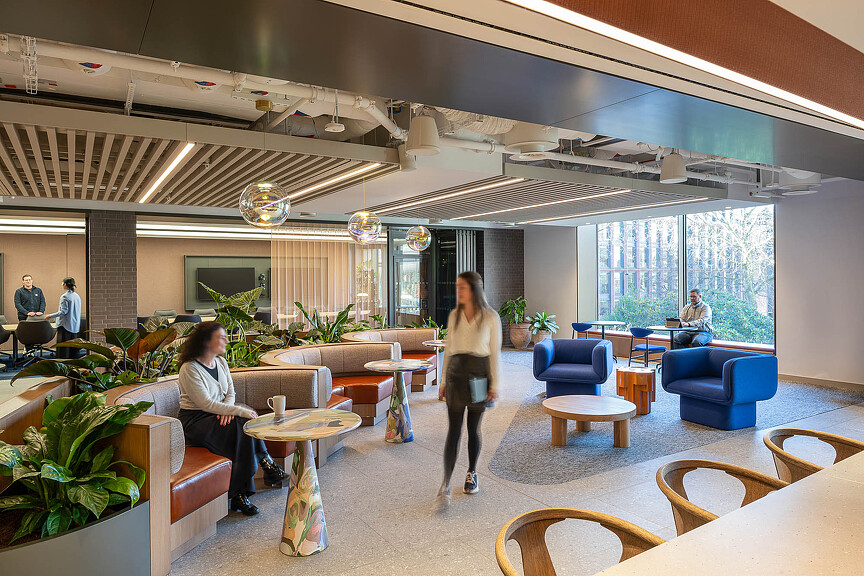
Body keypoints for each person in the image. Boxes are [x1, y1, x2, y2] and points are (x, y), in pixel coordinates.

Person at [176, 321, 287, 516]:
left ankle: (240, 495)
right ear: (206, 341)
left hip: (220, 415)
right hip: (196, 421)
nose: (226, 340)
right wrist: (239, 411)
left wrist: (229, 410)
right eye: (221, 337)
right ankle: (264, 464)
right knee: (242, 423)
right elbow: (206, 404)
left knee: (241, 430)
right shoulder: (189, 368)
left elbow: (230, 393)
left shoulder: (220, 362)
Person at [437, 271, 502, 507]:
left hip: (479, 375)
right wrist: (443, 380)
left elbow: (495, 353)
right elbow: (449, 349)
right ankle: (445, 482)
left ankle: (471, 473)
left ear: (474, 289)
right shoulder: (454, 315)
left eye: (462, 287)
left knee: (473, 428)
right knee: (453, 430)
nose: (458, 291)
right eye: (457, 287)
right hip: (456, 374)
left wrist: (494, 384)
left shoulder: (490, 317)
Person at [48, 277, 81, 359]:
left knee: (63, 348)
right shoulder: (77, 296)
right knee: (73, 347)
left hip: (65, 325)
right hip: (75, 325)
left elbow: (63, 312)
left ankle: (63, 363)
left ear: (65, 284)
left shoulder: (65, 296)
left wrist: (50, 316)